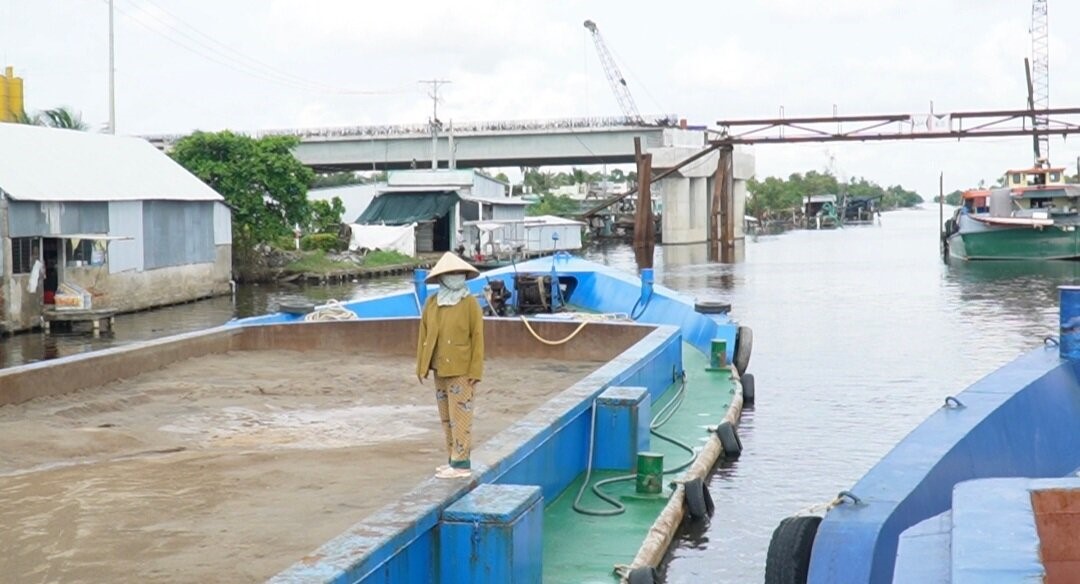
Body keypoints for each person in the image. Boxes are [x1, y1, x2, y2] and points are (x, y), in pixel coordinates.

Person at [416, 252, 484, 479]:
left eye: (459, 273)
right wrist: (421, 366)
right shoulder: (432, 303)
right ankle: (452, 458)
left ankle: (462, 464)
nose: (456, 277)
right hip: (439, 368)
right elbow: (423, 335)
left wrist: (476, 371)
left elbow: (477, 337)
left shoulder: (470, 304)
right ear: (442, 277)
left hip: (462, 370)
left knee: (461, 416)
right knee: (446, 416)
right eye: (451, 274)